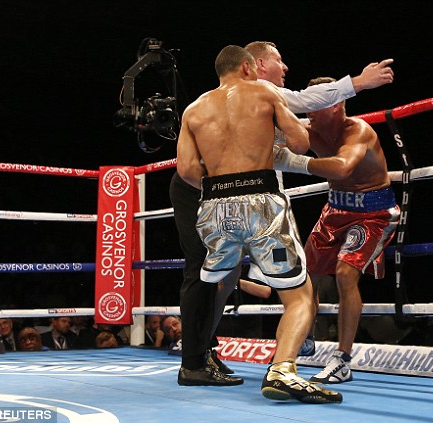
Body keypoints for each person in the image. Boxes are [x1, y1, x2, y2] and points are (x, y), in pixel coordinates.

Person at [169, 40, 393, 386]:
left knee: (215, 280)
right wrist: (358, 83)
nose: (285, 68)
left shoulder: (195, 109)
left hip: (213, 201)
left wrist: (220, 187)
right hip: (258, 200)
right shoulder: (264, 92)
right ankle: (281, 371)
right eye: (278, 60)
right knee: (299, 295)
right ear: (251, 66)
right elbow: (302, 135)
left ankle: (197, 355)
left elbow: (185, 168)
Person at [273, 76, 400, 383]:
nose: (310, 109)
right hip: (335, 209)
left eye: (318, 102)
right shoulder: (309, 132)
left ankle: (342, 359)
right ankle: (301, 336)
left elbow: (343, 167)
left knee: (345, 273)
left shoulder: (358, 131)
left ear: (338, 103)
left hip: (372, 213)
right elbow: (270, 139)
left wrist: (294, 162)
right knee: (303, 277)